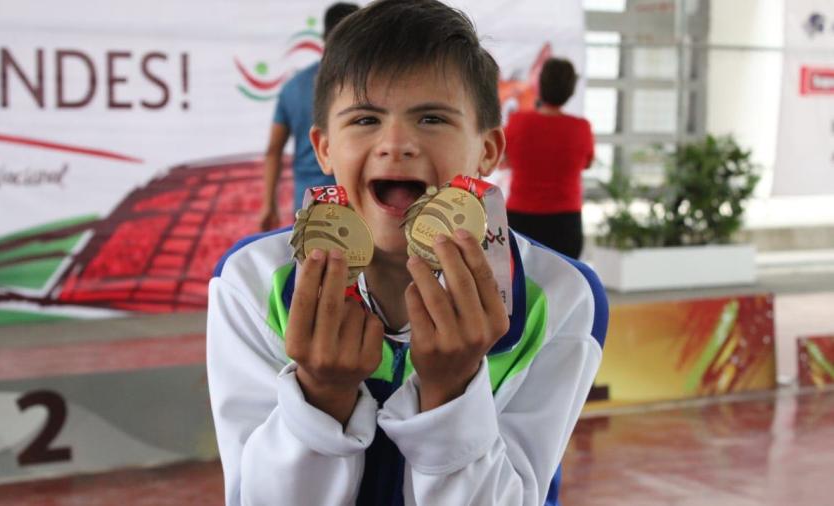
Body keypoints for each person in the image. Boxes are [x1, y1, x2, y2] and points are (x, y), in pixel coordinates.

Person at [208, 1, 607, 505]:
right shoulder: (254, 283)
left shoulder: (558, 296)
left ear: (487, 151)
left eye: (433, 118)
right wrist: (320, 396)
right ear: (324, 148)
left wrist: (453, 391)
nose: (396, 144)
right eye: (366, 119)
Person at [259, 2, 360, 231]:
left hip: (309, 204)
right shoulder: (372, 85)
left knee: (310, 266)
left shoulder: (293, 87)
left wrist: (269, 204)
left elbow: (273, 150)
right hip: (357, 202)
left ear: (324, 36)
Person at [504, 58, 594, 259]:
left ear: (540, 86)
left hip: (520, 218)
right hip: (565, 221)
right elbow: (587, 162)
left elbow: (504, 160)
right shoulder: (581, 128)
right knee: (565, 284)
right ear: (571, 90)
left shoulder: (517, 123)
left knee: (519, 283)